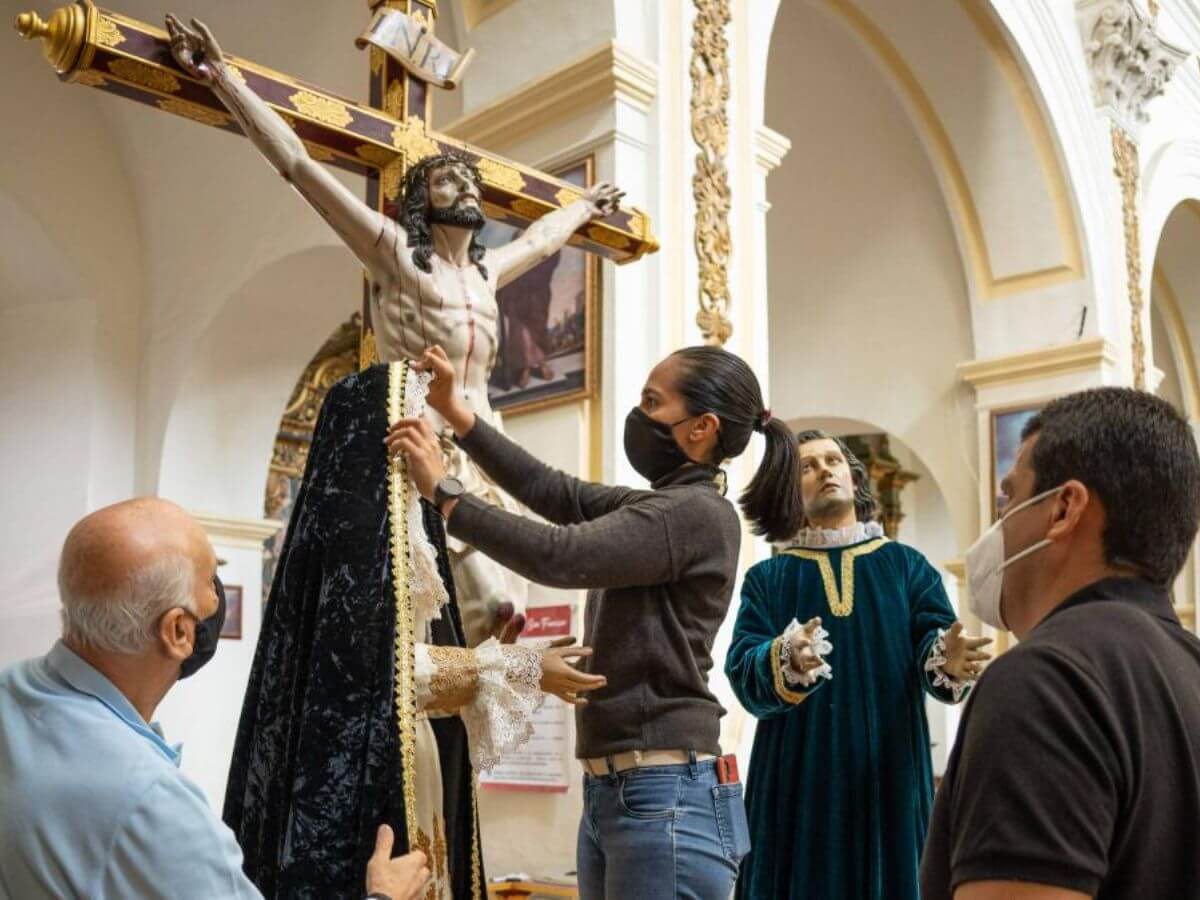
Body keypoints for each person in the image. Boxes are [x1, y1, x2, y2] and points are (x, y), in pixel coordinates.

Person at [164, 13, 624, 645]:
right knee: (452, 593)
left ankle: (488, 627)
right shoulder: (396, 257)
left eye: (465, 178)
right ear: (422, 201)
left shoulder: (486, 278)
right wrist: (224, 79)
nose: (459, 184)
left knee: (505, 570)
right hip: (415, 426)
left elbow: (543, 241)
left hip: (485, 431)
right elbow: (299, 166)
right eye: (443, 179)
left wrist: (582, 207)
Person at [388, 343, 798, 900]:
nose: (640, 414)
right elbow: (554, 492)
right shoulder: (662, 506)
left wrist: (445, 492)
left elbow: (560, 555)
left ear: (701, 427)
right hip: (623, 790)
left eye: (653, 402)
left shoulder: (694, 514)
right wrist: (458, 415)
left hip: (663, 794)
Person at [0, 498, 429, 900]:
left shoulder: (9, 691)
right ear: (179, 632)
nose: (218, 595)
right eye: (211, 581)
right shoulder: (153, 803)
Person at [921, 387, 1200, 900]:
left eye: (1009, 497)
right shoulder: (1188, 667)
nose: (998, 523)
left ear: (1063, 509)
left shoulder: (1046, 682)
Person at [726, 430, 991, 900]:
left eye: (833, 460)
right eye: (807, 466)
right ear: (789, 490)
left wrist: (947, 660)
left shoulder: (906, 566)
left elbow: (936, 642)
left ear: (853, 477)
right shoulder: (768, 577)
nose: (825, 469)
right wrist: (783, 659)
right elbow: (743, 670)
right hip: (797, 779)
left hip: (887, 773)